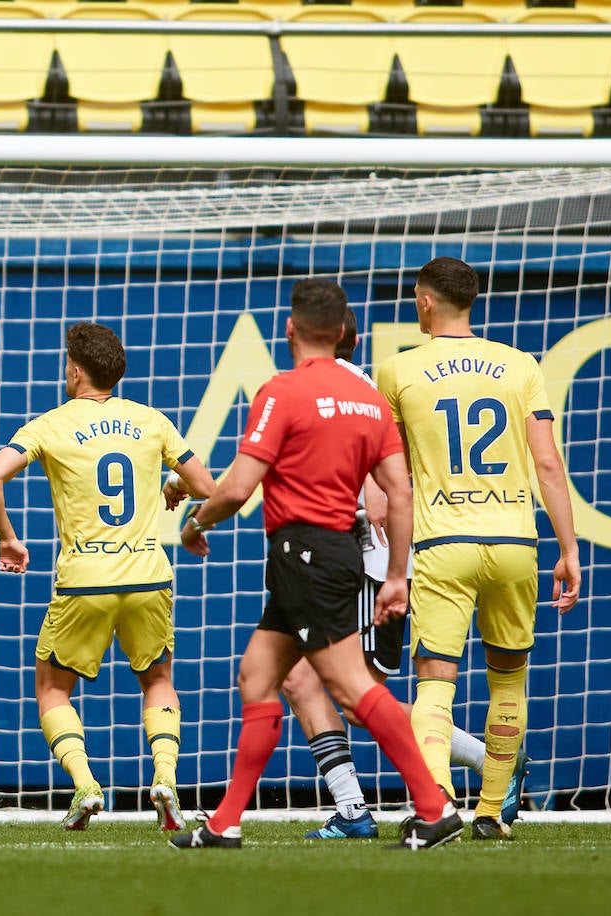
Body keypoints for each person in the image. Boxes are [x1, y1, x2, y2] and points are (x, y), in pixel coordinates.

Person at [170, 278, 462, 852]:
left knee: (352, 692)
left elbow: (238, 487)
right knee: (259, 674)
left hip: (304, 555)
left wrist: (196, 523)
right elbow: (399, 494)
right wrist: (397, 575)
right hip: (337, 555)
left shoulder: (282, 392)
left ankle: (435, 807)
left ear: (291, 329)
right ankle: (226, 821)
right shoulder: (370, 399)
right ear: (342, 332)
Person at [0, 322, 216, 832]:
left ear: (77, 370)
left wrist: (8, 537)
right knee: (158, 679)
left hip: (85, 580)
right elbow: (205, 485)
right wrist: (173, 486)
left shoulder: (50, 425)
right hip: (149, 577)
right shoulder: (152, 421)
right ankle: (166, 779)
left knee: (52, 688)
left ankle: (85, 784)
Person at [278, 309, 505, 840]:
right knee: (304, 681)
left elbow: (392, 466)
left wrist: (376, 492)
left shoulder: (350, 389)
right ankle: (355, 809)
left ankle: (489, 762)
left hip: (362, 563)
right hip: (343, 562)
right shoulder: (332, 387)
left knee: (354, 698)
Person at [376, 256, 581, 841]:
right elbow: (546, 460)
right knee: (508, 680)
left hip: (445, 542)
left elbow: (393, 475)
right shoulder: (520, 366)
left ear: (424, 302)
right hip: (516, 542)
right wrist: (568, 547)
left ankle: (436, 798)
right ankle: (492, 814)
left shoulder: (398, 370)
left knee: (436, 679)